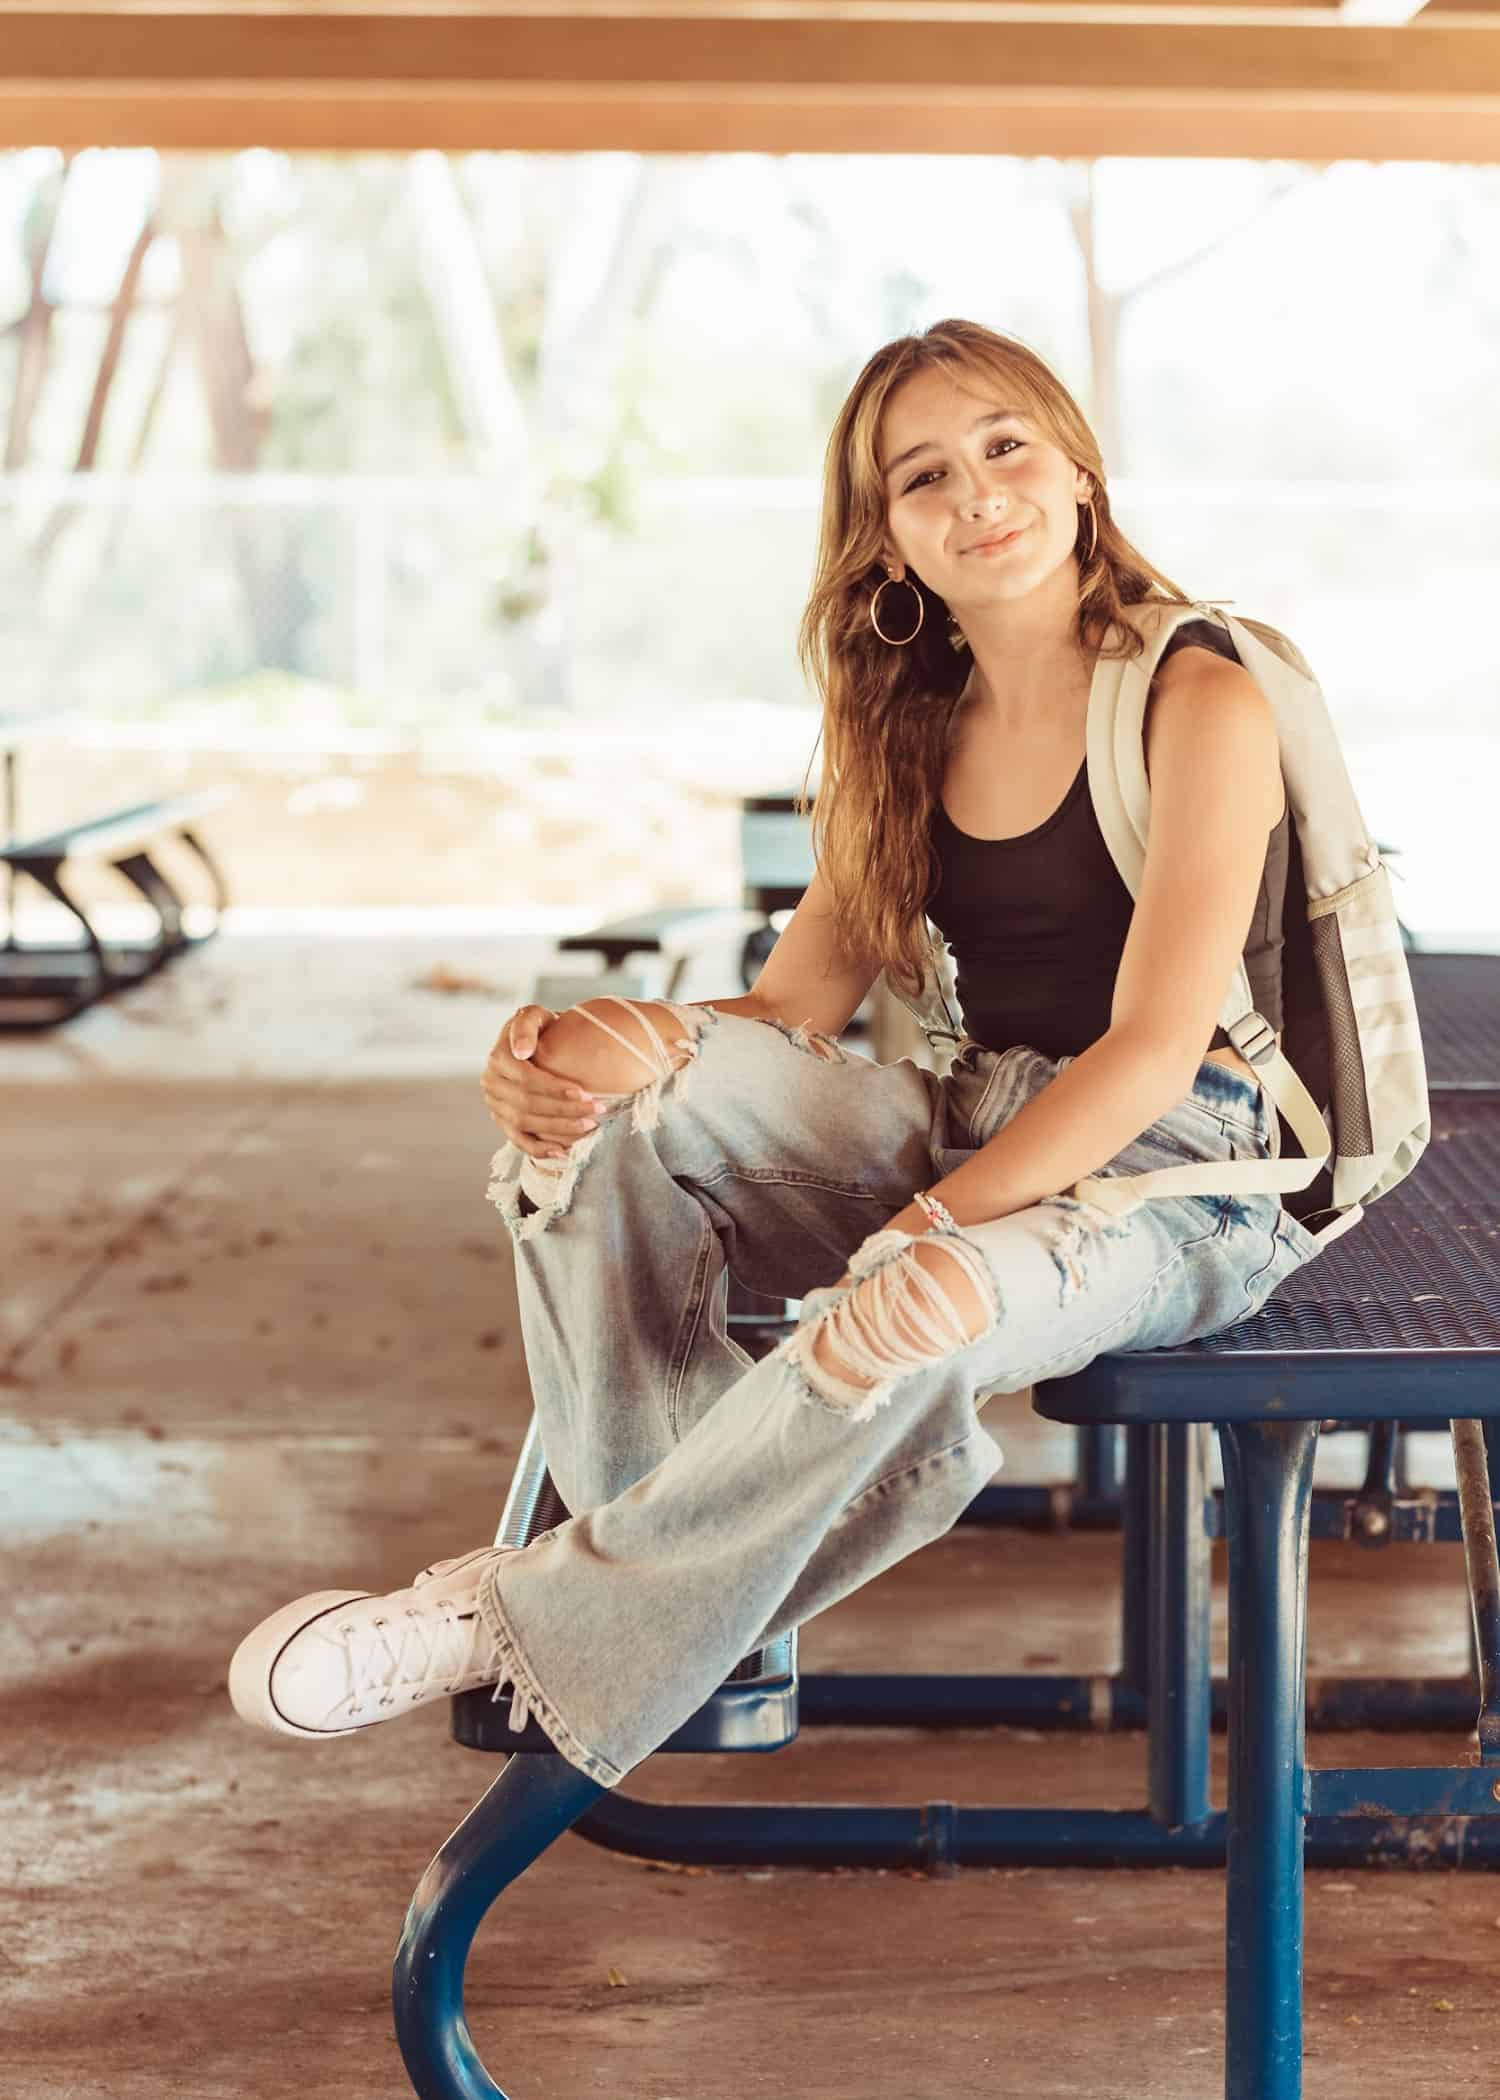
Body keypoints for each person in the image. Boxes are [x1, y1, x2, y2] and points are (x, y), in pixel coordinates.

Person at [228, 317, 1321, 1787]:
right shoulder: (910, 727)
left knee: (918, 1307)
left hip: (1182, 1175)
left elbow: (1146, 1054)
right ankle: (688, 1620)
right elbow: (792, 1009)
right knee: (607, 1112)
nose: (977, 495)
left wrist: (926, 1231)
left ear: (1078, 469)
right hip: (979, 1123)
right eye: (924, 478)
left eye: (1005, 448)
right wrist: (574, 1062)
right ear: (888, 538)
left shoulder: (1201, 691)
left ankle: (523, 1612)